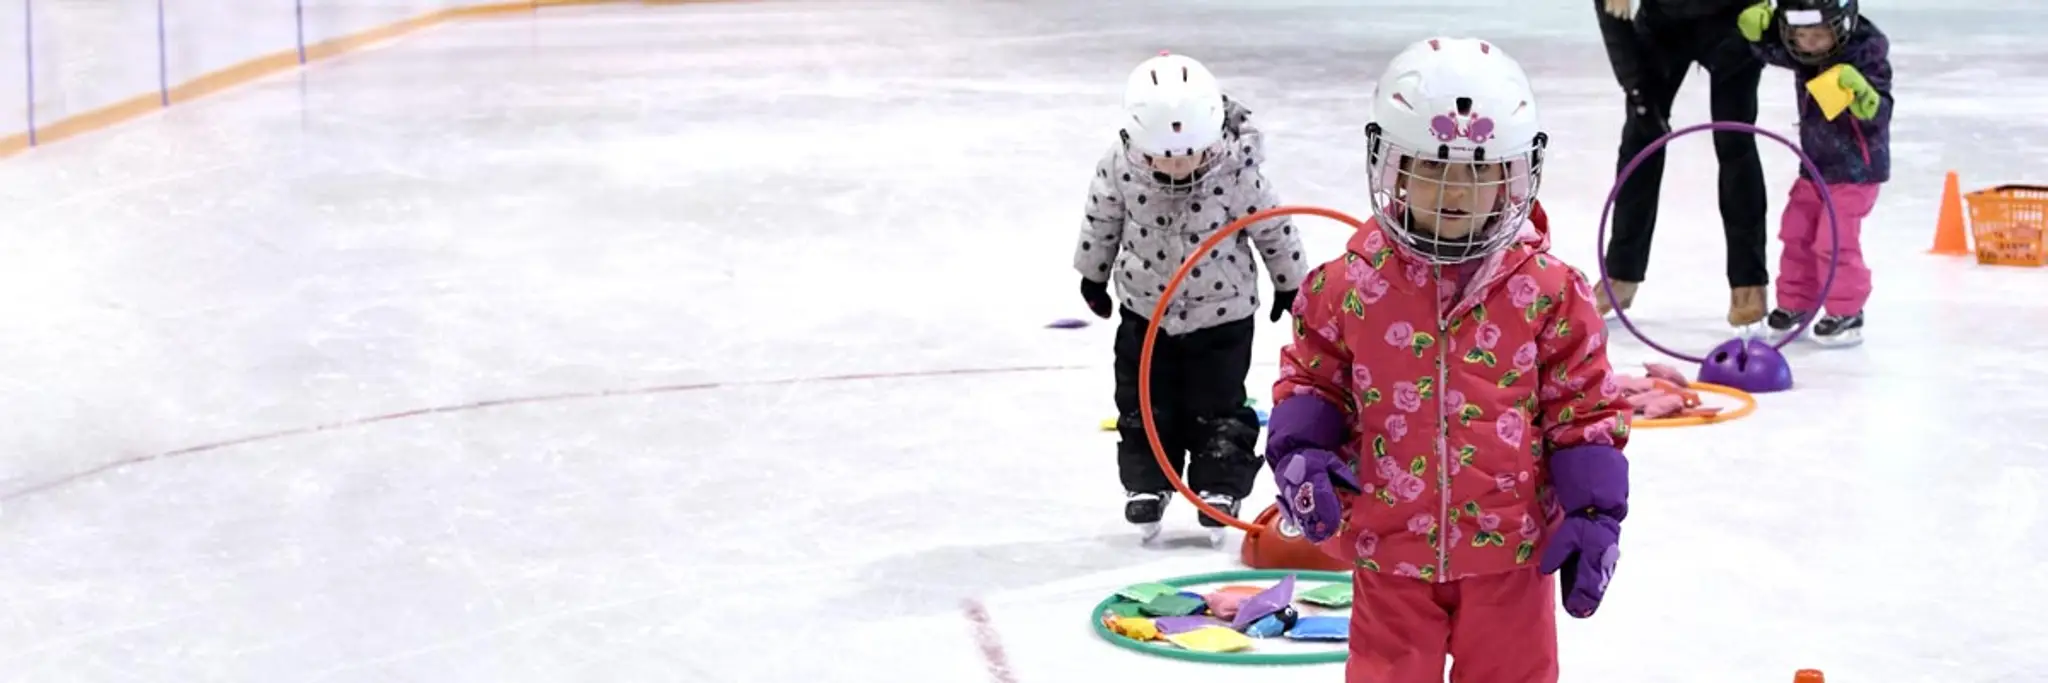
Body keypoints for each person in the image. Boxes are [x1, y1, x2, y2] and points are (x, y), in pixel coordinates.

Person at [1263, 37, 1631, 682]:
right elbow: (1312, 381)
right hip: (1389, 546)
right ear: (1394, 169)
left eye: (1481, 170)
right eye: (1432, 169)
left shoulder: (1549, 291)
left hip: (1512, 554)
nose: (1455, 191)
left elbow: (1584, 409)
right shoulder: (1347, 286)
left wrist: (1594, 510)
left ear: (1515, 176)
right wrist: (1302, 451)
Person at [1071, 51, 1307, 542]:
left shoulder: (1236, 171)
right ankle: (1147, 484)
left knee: (1218, 405)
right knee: (1142, 403)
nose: (1177, 166)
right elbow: (1102, 220)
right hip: (1145, 313)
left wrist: (1290, 281)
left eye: (1188, 154)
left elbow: (1273, 228)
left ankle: (1219, 484)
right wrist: (1093, 276)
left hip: (1223, 319)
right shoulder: (1120, 167)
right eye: (1165, 155)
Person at [1594, 0, 1771, 330]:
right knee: (1641, 137)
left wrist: (1781, 28)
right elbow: (1613, 21)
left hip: (1734, 21)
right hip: (1663, 24)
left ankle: (1749, 280)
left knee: (1735, 141)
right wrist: (1637, 89)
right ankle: (1621, 271)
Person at [1740, 0, 1889, 346]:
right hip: (1814, 166)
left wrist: (1867, 98)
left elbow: (1880, 107)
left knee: (1833, 241)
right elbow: (1775, 53)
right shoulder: (1805, 52)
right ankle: (1795, 305)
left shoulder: (1865, 51)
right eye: (1800, 35)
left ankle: (1846, 311)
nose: (1807, 43)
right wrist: (1756, 37)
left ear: (1842, 25)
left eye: (1817, 34)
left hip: (1856, 171)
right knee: (1796, 232)